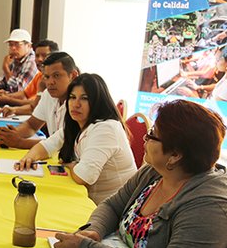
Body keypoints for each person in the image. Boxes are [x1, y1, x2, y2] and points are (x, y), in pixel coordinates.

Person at [52, 100, 227, 248]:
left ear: (175, 155)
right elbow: (113, 206)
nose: (145, 139)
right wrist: (94, 230)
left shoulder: (211, 208)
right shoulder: (155, 173)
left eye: (152, 135)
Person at [16, 73, 137, 204]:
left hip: (113, 209)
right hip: (92, 201)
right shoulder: (78, 124)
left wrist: (72, 166)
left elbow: (84, 176)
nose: (76, 104)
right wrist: (29, 158)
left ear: (98, 101)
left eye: (84, 98)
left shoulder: (106, 128)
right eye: (72, 97)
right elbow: (47, 146)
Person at [0, 52, 80, 149]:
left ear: (73, 76)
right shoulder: (48, 95)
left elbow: (64, 143)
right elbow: (31, 125)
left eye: (56, 76)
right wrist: (9, 136)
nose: (50, 82)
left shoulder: (80, 103)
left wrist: (20, 142)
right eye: (47, 77)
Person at [0, 29, 37, 103]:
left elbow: (18, 89)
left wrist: (5, 68)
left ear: (28, 46)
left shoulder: (32, 61)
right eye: (11, 45)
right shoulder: (16, 58)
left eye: (17, 44)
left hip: (27, 103)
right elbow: (5, 81)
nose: (13, 48)